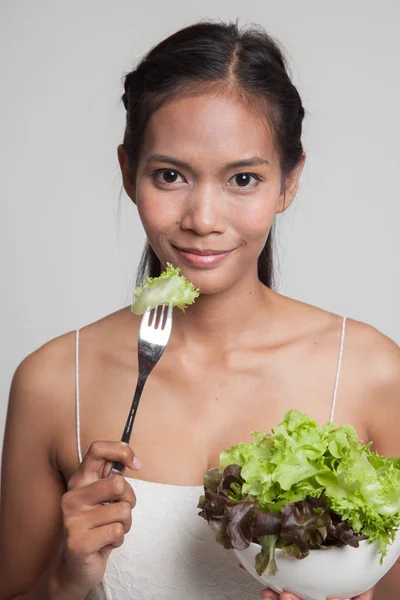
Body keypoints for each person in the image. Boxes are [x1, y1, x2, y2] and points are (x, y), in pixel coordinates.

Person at [0, 20, 399, 600]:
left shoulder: (373, 373)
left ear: (289, 182)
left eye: (243, 178)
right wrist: (66, 577)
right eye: (170, 175)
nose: (204, 218)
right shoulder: (54, 380)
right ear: (127, 172)